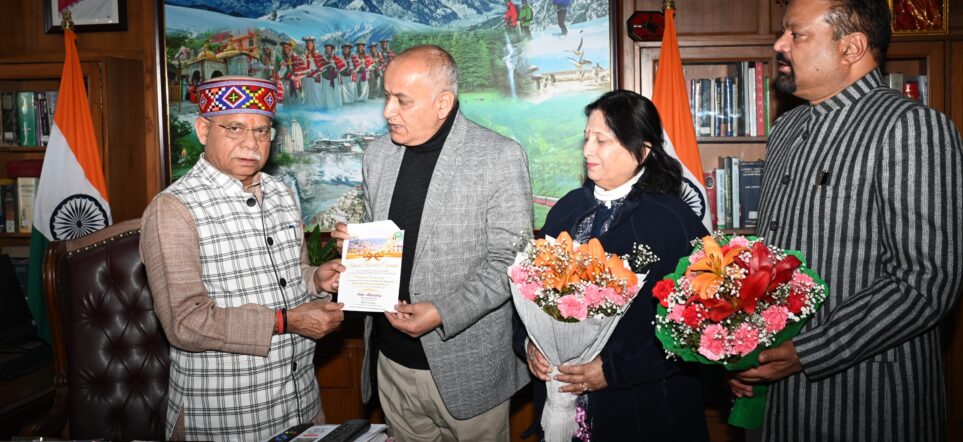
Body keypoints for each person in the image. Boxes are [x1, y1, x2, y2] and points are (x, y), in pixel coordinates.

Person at [730, 0, 963, 441]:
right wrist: (744, 350)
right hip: (778, 404)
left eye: (797, 34)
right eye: (783, 32)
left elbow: (925, 282)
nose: (780, 44)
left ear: (852, 47)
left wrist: (808, 351)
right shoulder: (787, 129)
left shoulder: (911, 128)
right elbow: (770, 261)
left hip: (867, 402)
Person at [331, 45, 532, 441]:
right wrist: (355, 246)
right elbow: (385, 239)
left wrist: (443, 312)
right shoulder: (377, 155)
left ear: (443, 103)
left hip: (469, 371)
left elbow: (512, 261)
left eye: (402, 100)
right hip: (391, 364)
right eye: (386, 97)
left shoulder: (499, 157)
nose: (388, 111)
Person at [140, 76, 346, 441]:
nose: (251, 143)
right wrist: (286, 322)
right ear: (204, 130)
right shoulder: (173, 209)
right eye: (235, 128)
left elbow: (291, 275)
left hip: (301, 406)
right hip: (226, 419)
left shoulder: (281, 193)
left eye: (262, 131)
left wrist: (316, 279)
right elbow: (185, 322)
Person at [514, 89, 710, 441]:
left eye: (602, 140)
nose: (587, 150)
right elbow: (526, 290)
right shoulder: (567, 209)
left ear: (643, 151)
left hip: (641, 410)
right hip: (561, 403)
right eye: (587, 138)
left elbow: (697, 330)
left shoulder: (673, 221)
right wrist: (529, 344)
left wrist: (614, 370)